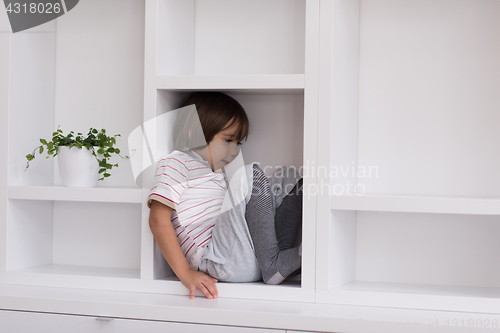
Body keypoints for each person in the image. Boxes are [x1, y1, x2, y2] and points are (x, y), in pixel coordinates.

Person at [148, 92, 303, 299]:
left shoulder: (218, 174)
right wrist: (185, 273)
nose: (234, 151)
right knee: (251, 173)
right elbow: (158, 220)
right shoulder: (176, 163)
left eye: (238, 143)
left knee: (289, 177)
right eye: (228, 140)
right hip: (217, 260)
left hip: (247, 255)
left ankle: (279, 260)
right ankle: (274, 264)